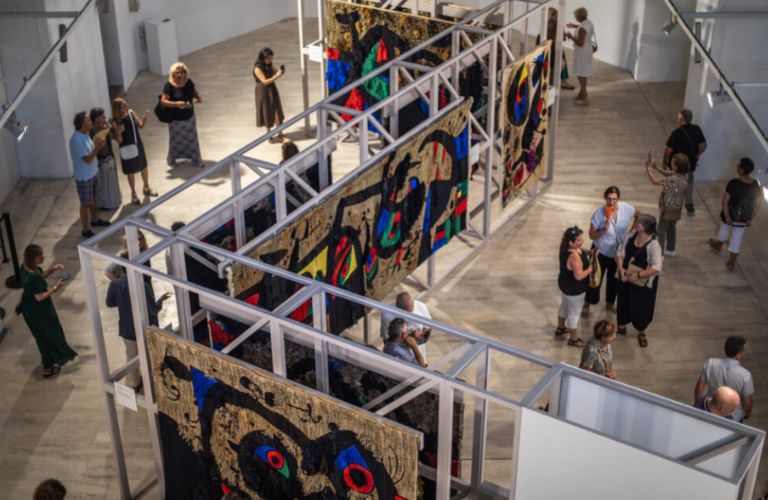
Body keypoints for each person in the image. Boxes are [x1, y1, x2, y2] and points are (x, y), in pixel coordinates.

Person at [18, 244, 78, 377]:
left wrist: (53, 269)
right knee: (50, 336)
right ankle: (50, 363)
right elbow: (39, 297)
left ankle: (49, 363)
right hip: (40, 312)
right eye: (40, 256)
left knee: (42, 337)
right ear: (34, 258)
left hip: (30, 310)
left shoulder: (25, 268)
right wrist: (56, 287)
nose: (44, 257)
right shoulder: (34, 277)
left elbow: (41, 275)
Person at [106, 269, 170, 389]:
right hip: (143, 329)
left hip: (127, 329)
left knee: (131, 357)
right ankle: (154, 382)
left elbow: (109, 303)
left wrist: (122, 301)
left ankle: (134, 383)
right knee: (150, 355)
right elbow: (153, 310)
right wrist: (160, 300)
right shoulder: (143, 286)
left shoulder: (114, 284)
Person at [583, 186, 635, 317]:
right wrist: (603, 230)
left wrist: (631, 232)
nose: (611, 202)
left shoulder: (626, 208)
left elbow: (638, 214)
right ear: (605, 198)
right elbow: (591, 235)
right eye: (609, 199)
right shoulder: (599, 213)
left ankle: (610, 303)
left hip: (617, 254)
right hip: (600, 252)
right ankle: (587, 303)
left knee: (614, 280)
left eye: (614, 199)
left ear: (618, 199)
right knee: (594, 279)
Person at [615, 214, 663, 347]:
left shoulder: (654, 245)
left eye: (640, 223)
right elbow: (619, 253)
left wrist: (639, 275)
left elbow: (657, 267)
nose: (637, 223)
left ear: (645, 227)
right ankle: (621, 326)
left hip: (642, 284)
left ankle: (641, 330)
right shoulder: (631, 236)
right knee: (623, 302)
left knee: (641, 307)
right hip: (625, 278)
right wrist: (620, 269)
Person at [708, 157, 762, 271]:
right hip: (744, 217)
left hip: (730, 214)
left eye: (739, 165)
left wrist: (727, 217)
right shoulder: (755, 184)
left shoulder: (733, 183)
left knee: (724, 229)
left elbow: (725, 201)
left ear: (742, 170)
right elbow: (758, 203)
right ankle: (731, 263)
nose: (737, 166)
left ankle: (718, 245)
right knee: (737, 237)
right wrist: (750, 218)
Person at [69, 111, 112, 238]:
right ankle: (85, 229)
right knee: (84, 204)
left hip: (92, 173)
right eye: (88, 120)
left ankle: (94, 219)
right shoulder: (76, 140)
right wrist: (98, 147)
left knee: (93, 198)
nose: (91, 121)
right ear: (82, 124)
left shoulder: (85, 135)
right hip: (84, 177)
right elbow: (87, 159)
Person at [694, 336, 753, 423]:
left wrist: (697, 402)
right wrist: (748, 412)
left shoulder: (710, 363)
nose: (747, 351)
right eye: (745, 350)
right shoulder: (745, 375)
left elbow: (700, 385)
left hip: (712, 408)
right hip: (734, 417)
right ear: (738, 355)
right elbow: (747, 402)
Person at [112, 97, 156, 205]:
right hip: (126, 148)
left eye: (126, 103)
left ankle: (146, 187)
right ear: (118, 109)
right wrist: (118, 132)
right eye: (124, 105)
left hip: (137, 145)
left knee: (143, 167)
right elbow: (119, 140)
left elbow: (140, 125)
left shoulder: (131, 113)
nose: (127, 106)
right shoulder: (115, 121)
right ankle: (133, 194)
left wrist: (144, 119)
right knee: (130, 171)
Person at [663, 109, 706, 215]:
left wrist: (665, 161)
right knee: (689, 183)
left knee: (674, 183)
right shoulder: (696, 129)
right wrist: (697, 154)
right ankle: (689, 204)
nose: (677, 118)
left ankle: (672, 203)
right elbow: (704, 145)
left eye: (678, 116)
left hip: (677, 165)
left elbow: (669, 150)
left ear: (681, 119)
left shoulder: (676, 133)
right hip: (690, 164)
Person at [554, 226, 593, 347]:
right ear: (571, 242)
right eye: (579, 240)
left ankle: (560, 328)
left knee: (564, 306)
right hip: (575, 289)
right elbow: (579, 276)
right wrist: (590, 269)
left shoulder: (564, 247)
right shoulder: (574, 257)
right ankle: (573, 338)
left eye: (581, 239)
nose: (582, 241)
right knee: (574, 313)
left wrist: (586, 252)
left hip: (565, 285)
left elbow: (578, 250)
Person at [161, 61, 204, 168]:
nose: (180, 75)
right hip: (175, 120)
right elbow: (163, 101)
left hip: (189, 118)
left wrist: (198, 97)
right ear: (173, 74)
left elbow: (193, 91)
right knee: (175, 141)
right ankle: (172, 159)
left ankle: (196, 159)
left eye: (182, 72)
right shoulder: (169, 86)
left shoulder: (188, 82)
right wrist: (176, 104)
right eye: (177, 72)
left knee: (193, 140)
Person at [646, 153, 689, 256]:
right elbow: (668, 173)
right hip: (677, 207)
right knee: (672, 228)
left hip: (667, 208)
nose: (670, 162)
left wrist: (648, 169)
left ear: (677, 166)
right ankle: (671, 249)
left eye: (672, 162)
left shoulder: (671, 180)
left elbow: (655, 181)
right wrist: (656, 167)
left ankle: (659, 252)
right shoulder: (684, 176)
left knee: (661, 230)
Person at [380, 292, 432, 361]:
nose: (409, 316)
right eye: (407, 313)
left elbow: (429, 328)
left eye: (411, 311)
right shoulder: (387, 314)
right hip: (399, 355)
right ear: (399, 308)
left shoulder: (421, 307)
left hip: (419, 352)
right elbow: (387, 341)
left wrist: (421, 334)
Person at [90, 107, 122, 210]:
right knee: (103, 184)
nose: (104, 118)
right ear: (96, 118)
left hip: (109, 158)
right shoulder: (92, 131)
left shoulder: (105, 127)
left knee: (111, 183)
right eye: (102, 116)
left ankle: (113, 200)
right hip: (99, 161)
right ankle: (104, 203)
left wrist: (114, 130)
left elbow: (117, 139)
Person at [253, 47, 285, 141]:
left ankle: (280, 132)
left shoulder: (270, 64)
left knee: (276, 110)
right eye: (268, 58)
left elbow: (275, 72)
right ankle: (269, 133)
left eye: (271, 58)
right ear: (263, 58)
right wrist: (276, 76)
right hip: (263, 91)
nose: (270, 60)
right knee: (266, 110)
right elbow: (264, 81)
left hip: (272, 89)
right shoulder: (257, 68)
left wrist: (280, 72)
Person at [565, 7, 595, 104]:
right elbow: (584, 29)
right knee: (583, 72)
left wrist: (570, 37)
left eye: (576, 16)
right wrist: (575, 26)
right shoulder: (588, 22)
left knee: (581, 73)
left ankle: (584, 95)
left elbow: (580, 43)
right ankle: (581, 93)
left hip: (582, 52)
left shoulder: (582, 28)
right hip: (586, 50)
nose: (575, 18)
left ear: (579, 17)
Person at [544, 8, 575, 90]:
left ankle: (554, 83)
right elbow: (563, 38)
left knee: (553, 64)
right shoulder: (559, 21)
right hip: (558, 45)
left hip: (553, 45)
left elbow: (549, 35)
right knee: (560, 63)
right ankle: (563, 81)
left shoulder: (551, 21)